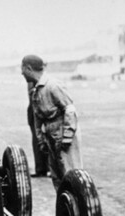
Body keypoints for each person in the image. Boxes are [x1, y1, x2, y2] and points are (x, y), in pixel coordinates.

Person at [21, 54, 83, 191]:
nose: (21, 73)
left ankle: (78, 210)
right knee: (57, 179)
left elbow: (70, 110)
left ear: (29, 68)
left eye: (23, 69)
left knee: (71, 176)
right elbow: (38, 119)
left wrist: (67, 137)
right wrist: (41, 140)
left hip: (63, 133)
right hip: (51, 136)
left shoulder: (53, 85)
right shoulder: (36, 90)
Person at [26, 79, 49, 178]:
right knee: (36, 141)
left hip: (40, 113)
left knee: (46, 139)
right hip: (34, 113)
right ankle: (41, 168)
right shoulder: (31, 82)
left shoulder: (42, 81)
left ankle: (47, 168)